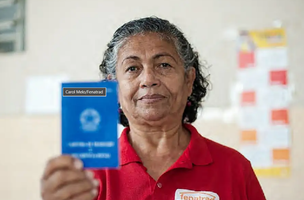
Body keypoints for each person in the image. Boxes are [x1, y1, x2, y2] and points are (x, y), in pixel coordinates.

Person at [40, 17, 266, 200]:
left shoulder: (234, 167)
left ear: (189, 80)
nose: (148, 79)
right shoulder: (87, 175)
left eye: (164, 65)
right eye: (132, 68)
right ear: (114, 89)